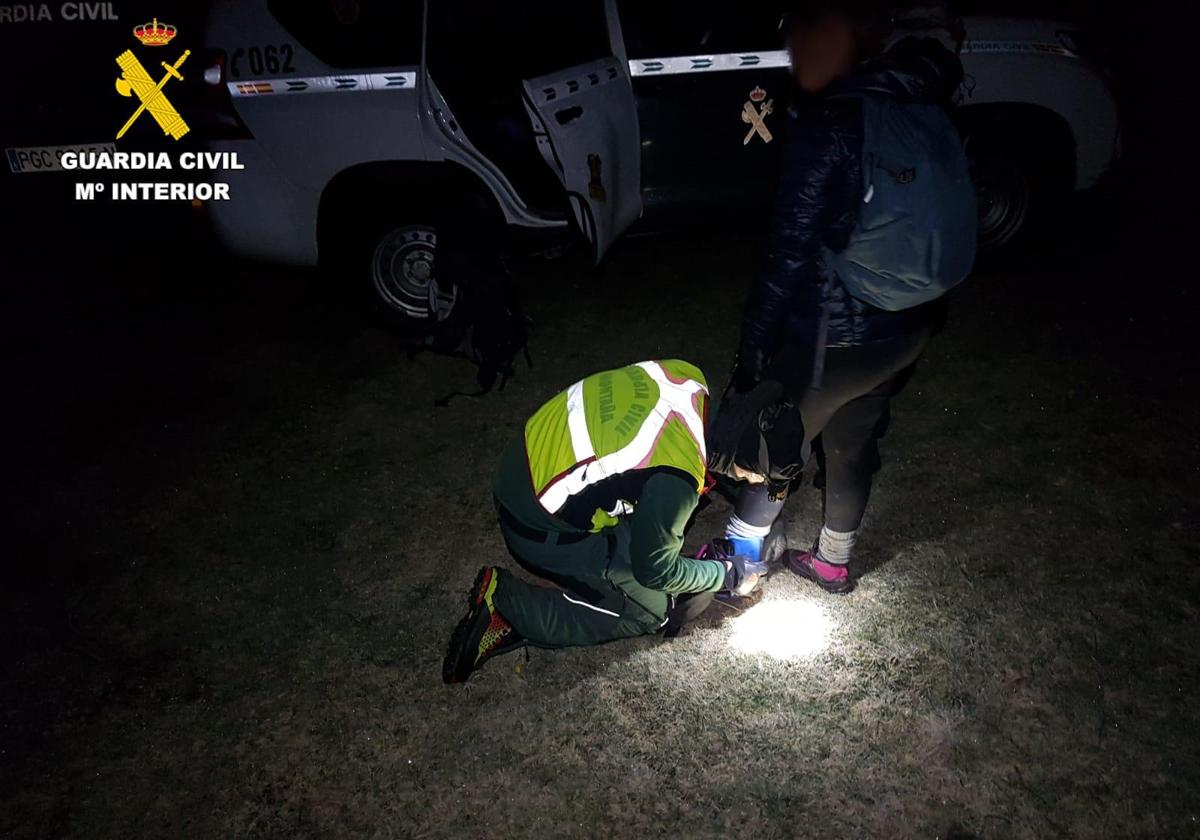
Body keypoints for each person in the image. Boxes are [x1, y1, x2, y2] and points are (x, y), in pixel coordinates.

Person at [723, 2, 972, 594]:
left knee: (777, 443)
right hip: (907, 326)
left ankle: (738, 569)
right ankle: (833, 561)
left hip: (835, 330)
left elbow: (787, 251)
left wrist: (752, 355)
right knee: (854, 438)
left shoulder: (836, 119)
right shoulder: (932, 108)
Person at [443, 359, 766, 684]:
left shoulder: (689, 380)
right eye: (759, 475)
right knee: (652, 611)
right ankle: (507, 606)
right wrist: (726, 573)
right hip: (538, 529)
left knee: (649, 526)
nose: (756, 483)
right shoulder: (678, 479)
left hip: (522, 470)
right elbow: (655, 570)